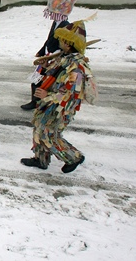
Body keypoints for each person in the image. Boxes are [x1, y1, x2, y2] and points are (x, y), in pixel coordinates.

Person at [20, 19, 96, 173]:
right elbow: (57, 73)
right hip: (48, 103)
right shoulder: (65, 58)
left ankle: (73, 157)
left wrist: (47, 95)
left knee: (47, 134)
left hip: (59, 107)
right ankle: (41, 159)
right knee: (39, 129)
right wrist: (47, 65)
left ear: (68, 43)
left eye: (62, 40)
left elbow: (71, 93)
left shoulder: (77, 67)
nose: (59, 42)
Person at [21, 0, 82, 110]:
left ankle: (38, 102)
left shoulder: (65, 26)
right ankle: (36, 101)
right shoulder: (56, 23)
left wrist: (52, 57)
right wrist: (42, 51)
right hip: (48, 56)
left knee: (42, 81)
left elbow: (64, 46)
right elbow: (49, 39)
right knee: (36, 80)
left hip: (55, 59)